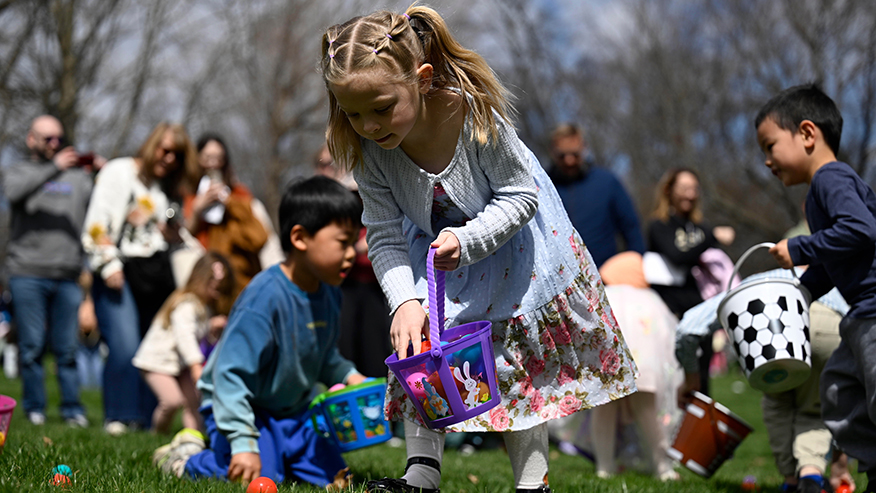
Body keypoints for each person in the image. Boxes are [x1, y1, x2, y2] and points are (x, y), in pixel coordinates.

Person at [321, 7, 637, 493]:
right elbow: (382, 232)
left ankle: (534, 483)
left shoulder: (472, 115)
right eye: (353, 112)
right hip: (436, 251)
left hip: (515, 244)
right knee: (418, 346)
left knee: (514, 359)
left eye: (381, 107)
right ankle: (421, 475)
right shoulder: (367, 150)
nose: (368, 125)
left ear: (422, 79)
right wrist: (404, 301)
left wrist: (468, 240)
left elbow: (521, 195)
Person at [152, 176, 367, 489]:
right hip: (239, 405)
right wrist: (242, 442)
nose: (352, 252)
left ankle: (279, 451)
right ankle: (184, 459)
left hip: (291, 412)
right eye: (343, 241)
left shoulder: (330, 292)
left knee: (339, 480)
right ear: (300, 238)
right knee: (262, 475)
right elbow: (229, 376)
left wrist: (349, 375)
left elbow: (320, 355)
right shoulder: (265, 297)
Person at [759, 83, 876, 493]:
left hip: (874, 311)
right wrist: (801, 294)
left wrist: (799, 246)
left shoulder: (831, 178)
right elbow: (834, 258)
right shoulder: (816, 196)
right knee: (838, 391)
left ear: (807, 134)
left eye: (770, 145)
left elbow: (861, 230)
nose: (767, 160)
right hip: (859, 316)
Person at [676, 266, 854, 493]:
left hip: (770, 321)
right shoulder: (835, 279)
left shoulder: (759, 281)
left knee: (777, 403)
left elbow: (688, 327)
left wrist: (692, 377)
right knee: (816, 406)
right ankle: (811, 477)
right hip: (829, 322)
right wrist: (841, 463)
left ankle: (791, 481)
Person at [82, 122, 194, 435]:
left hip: (156, 276)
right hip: (120, 271)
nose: (169, 158)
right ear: (151, 144)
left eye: (177, 154)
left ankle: (145, 421)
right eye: (165, 149)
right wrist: (108, 265)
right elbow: (96, 225)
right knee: (124, 343)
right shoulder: (119, 172)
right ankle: (119, 416)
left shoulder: (165, 189)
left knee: (151, 349)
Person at [2, 115, 92, 427]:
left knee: (68, 349)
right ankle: (34, 409)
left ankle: (72, 409)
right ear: (31, 139)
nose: (55, 144)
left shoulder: (78, 177)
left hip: (68, 274)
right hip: (27, 272)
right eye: (47, 139)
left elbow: (97, 207)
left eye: (59, 138)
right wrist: (55, 168)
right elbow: (14, 194)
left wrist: (105, 173)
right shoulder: (19, 171)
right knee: (31, 347)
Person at [647, 167, 735, 395]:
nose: (690, 194)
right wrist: (712, 237)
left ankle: (701, 427)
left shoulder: (701, 228)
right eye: (684, 188)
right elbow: (677, 256)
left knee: (702, 380)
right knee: (673, 380)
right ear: (669, 190)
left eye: (694, 189)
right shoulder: (660, 226)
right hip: (669, 315)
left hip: (700, 312)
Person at [132, 252, 234, 435]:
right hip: (157, 362)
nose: (217, 294)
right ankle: (157, 435)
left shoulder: (203, 307)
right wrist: (195, 366)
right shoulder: (186, 305)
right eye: (215, 288)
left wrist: (211, 328)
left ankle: (192, 436)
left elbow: (196, 333)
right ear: (202, 281)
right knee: (171, 401)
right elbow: (185, 336)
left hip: (179, 364)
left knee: (194, 401)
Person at [183, 133, 284, 310]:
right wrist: (198, 209)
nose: (213, 164)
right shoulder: (188, 196)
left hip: (242, 284)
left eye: (218, 158)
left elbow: (260, 237)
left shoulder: (240, 195)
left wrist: (230, 203)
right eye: (207, 158)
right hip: (205, 283)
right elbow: (185, 240)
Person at [547, 124, 646, 268]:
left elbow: (631, 228)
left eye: (575, 154)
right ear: (552, 152)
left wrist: (636, 266)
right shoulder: (544, 186)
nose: (569, 161)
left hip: (605, 275)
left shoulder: (607, 182)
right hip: (559, 276)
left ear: (585, 149)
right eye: (562, 156)